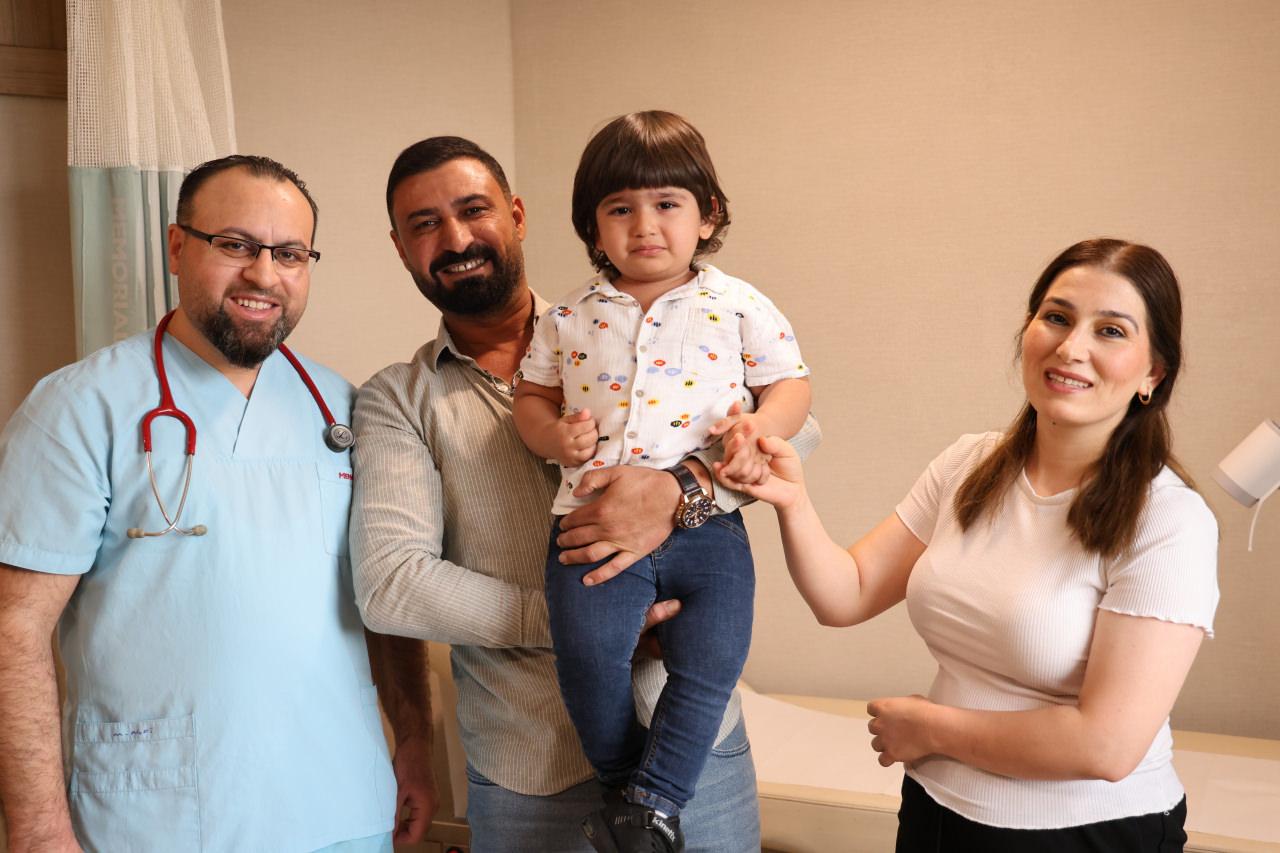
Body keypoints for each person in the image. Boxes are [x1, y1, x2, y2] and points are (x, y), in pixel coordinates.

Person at [351, 135, 819, 853]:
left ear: (516, 215)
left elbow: (799, 431)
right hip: (526, 771)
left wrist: (681, 490)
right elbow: (392, 585)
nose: (456, 238)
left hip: (695, 750)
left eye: (474, 210)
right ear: (400, 247)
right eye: (424, 224)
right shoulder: (397, 399)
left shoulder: (663, 315)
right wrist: (591, 618)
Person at [0, 155, 435, 853]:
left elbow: (388, 596)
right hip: (155, 820)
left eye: (289, 254)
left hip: (342, 807)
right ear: (177, 247)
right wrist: (37, 830)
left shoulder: (348, 410)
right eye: (235, 245)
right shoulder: (79, 408)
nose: (264, 274)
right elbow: (14, 629)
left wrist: (414, 746)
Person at [728, 238, 1219, 850]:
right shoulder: (970, 463)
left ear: (1153, 373)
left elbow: (1107, 745)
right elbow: (847, 595)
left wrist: (932, 729)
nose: (1072, 348)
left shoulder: (1169, 519)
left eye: (1111, 331)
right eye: (1057, 317)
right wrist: (793, 500)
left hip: (1084, 832)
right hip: (935, 809)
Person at [512, 110, 810, 852]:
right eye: (620, 208)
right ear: (592, 225)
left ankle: (655, 800)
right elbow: (532, 397)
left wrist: (758, 427)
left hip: (711, 530)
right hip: (589, 525)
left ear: (707, 215)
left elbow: (792, 386)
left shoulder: (739, 303)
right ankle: (628, 788)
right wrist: (551, 434)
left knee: (712, 660)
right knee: (587, 659)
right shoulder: (567, 316)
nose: (644, 225)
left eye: (667, 203)